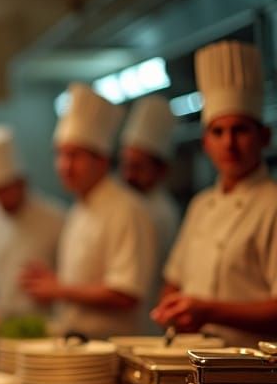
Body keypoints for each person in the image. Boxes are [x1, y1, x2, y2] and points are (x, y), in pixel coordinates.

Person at [152, 39, 277, 345]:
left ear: (264, 137)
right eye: (218, 132)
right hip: (195, 357)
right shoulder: (201, 204)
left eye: (241, 130)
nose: (229, 143)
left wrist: (208, 311)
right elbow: (174, 280)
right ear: (206, 143)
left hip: (253, 371)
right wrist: (172, 308)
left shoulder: (272, 204)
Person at [20, 82, 156, 338]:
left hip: (112, 349)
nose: (64, 166)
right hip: (77, 341)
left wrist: (59, 289)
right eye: (60, 155)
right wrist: (50, 283)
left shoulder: (126, 208)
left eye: (75, 156)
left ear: (102, 160)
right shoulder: (79, 208)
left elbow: (126, 294)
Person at [0, 124, 65, 320]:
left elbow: (70, 280)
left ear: (22, 182)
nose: (0, 200)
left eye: (5, 191)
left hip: (47, 324)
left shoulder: (57, 218)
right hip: (2, 320)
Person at [120, 94, 181, 320]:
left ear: (161, 169)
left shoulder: (163, 213)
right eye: (125, 165)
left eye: (137, 167)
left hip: (147, 319)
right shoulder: (128, 203)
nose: (128, 175)